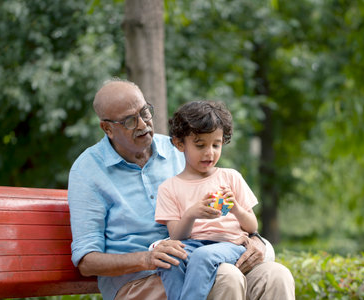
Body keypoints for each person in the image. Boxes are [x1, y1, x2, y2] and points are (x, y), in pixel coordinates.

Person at [67, 78, 295, 300]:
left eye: (145, 112)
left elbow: (232, 212)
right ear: (107, 128)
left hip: (203, 261)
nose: (143, 124)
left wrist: (255, 240)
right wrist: (148, 259)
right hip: (139, 282)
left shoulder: (180, 148)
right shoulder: (88, 171)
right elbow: (87, 262)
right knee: (225, 277)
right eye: (129, 121)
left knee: (275, 276)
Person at [155, 100, 260, 300]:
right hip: (193, 245)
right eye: (200, 145)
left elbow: (253, 226)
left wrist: (236, 209)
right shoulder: (169, 188)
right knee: (168, 260)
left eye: (216, 144)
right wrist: (191, 214)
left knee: (203, 257)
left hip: (230, 243)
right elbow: (176, 237)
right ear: (179, 144)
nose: (209, 152)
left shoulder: (230, 177)